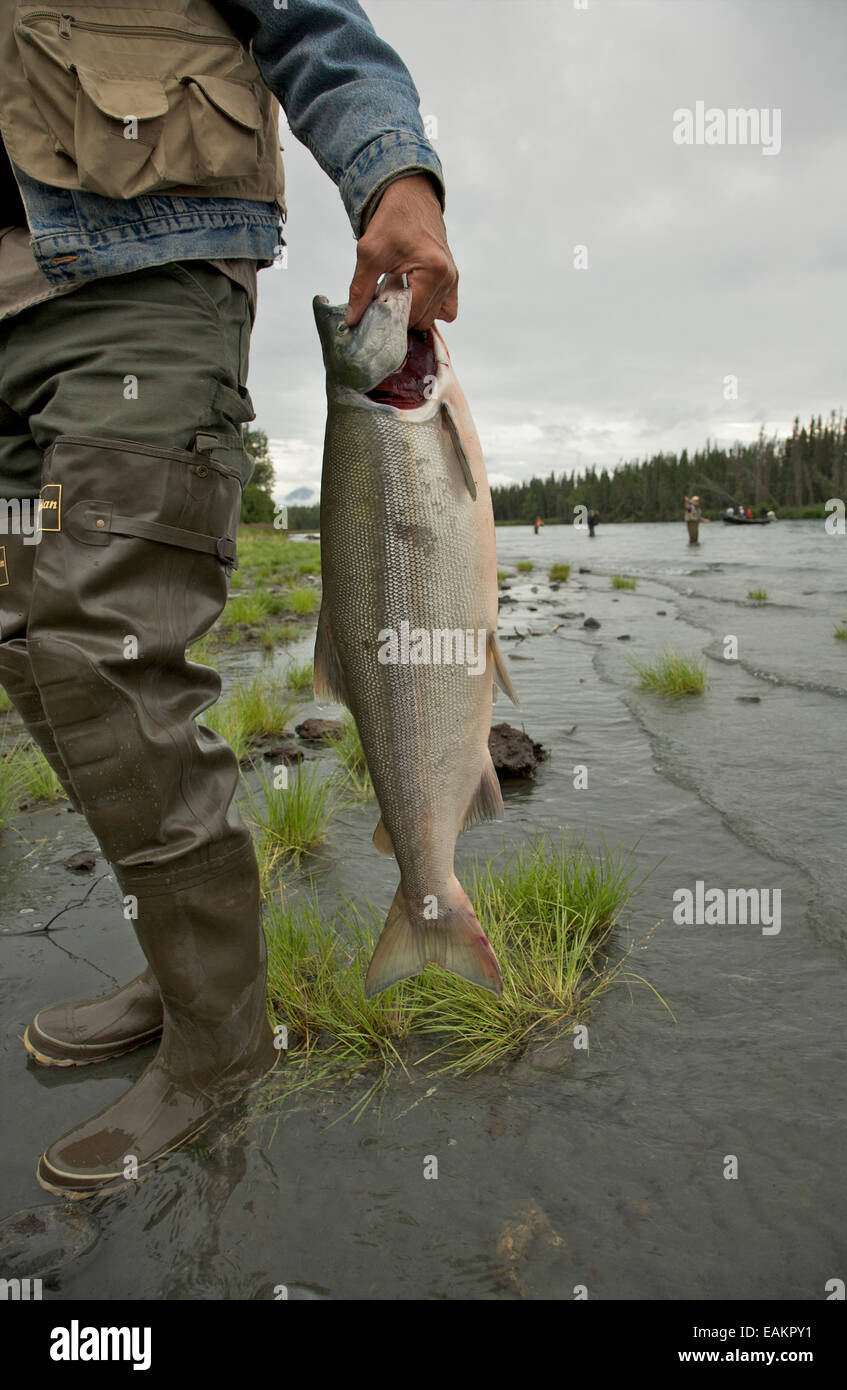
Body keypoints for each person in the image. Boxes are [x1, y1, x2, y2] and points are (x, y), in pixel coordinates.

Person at [0, 0, 456, 1197]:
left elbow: (310, 15)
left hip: (140, 267)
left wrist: (391, 172)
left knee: (105, 643)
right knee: (30, 640)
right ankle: (187, 961)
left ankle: (222, 1037)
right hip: (1, 305)